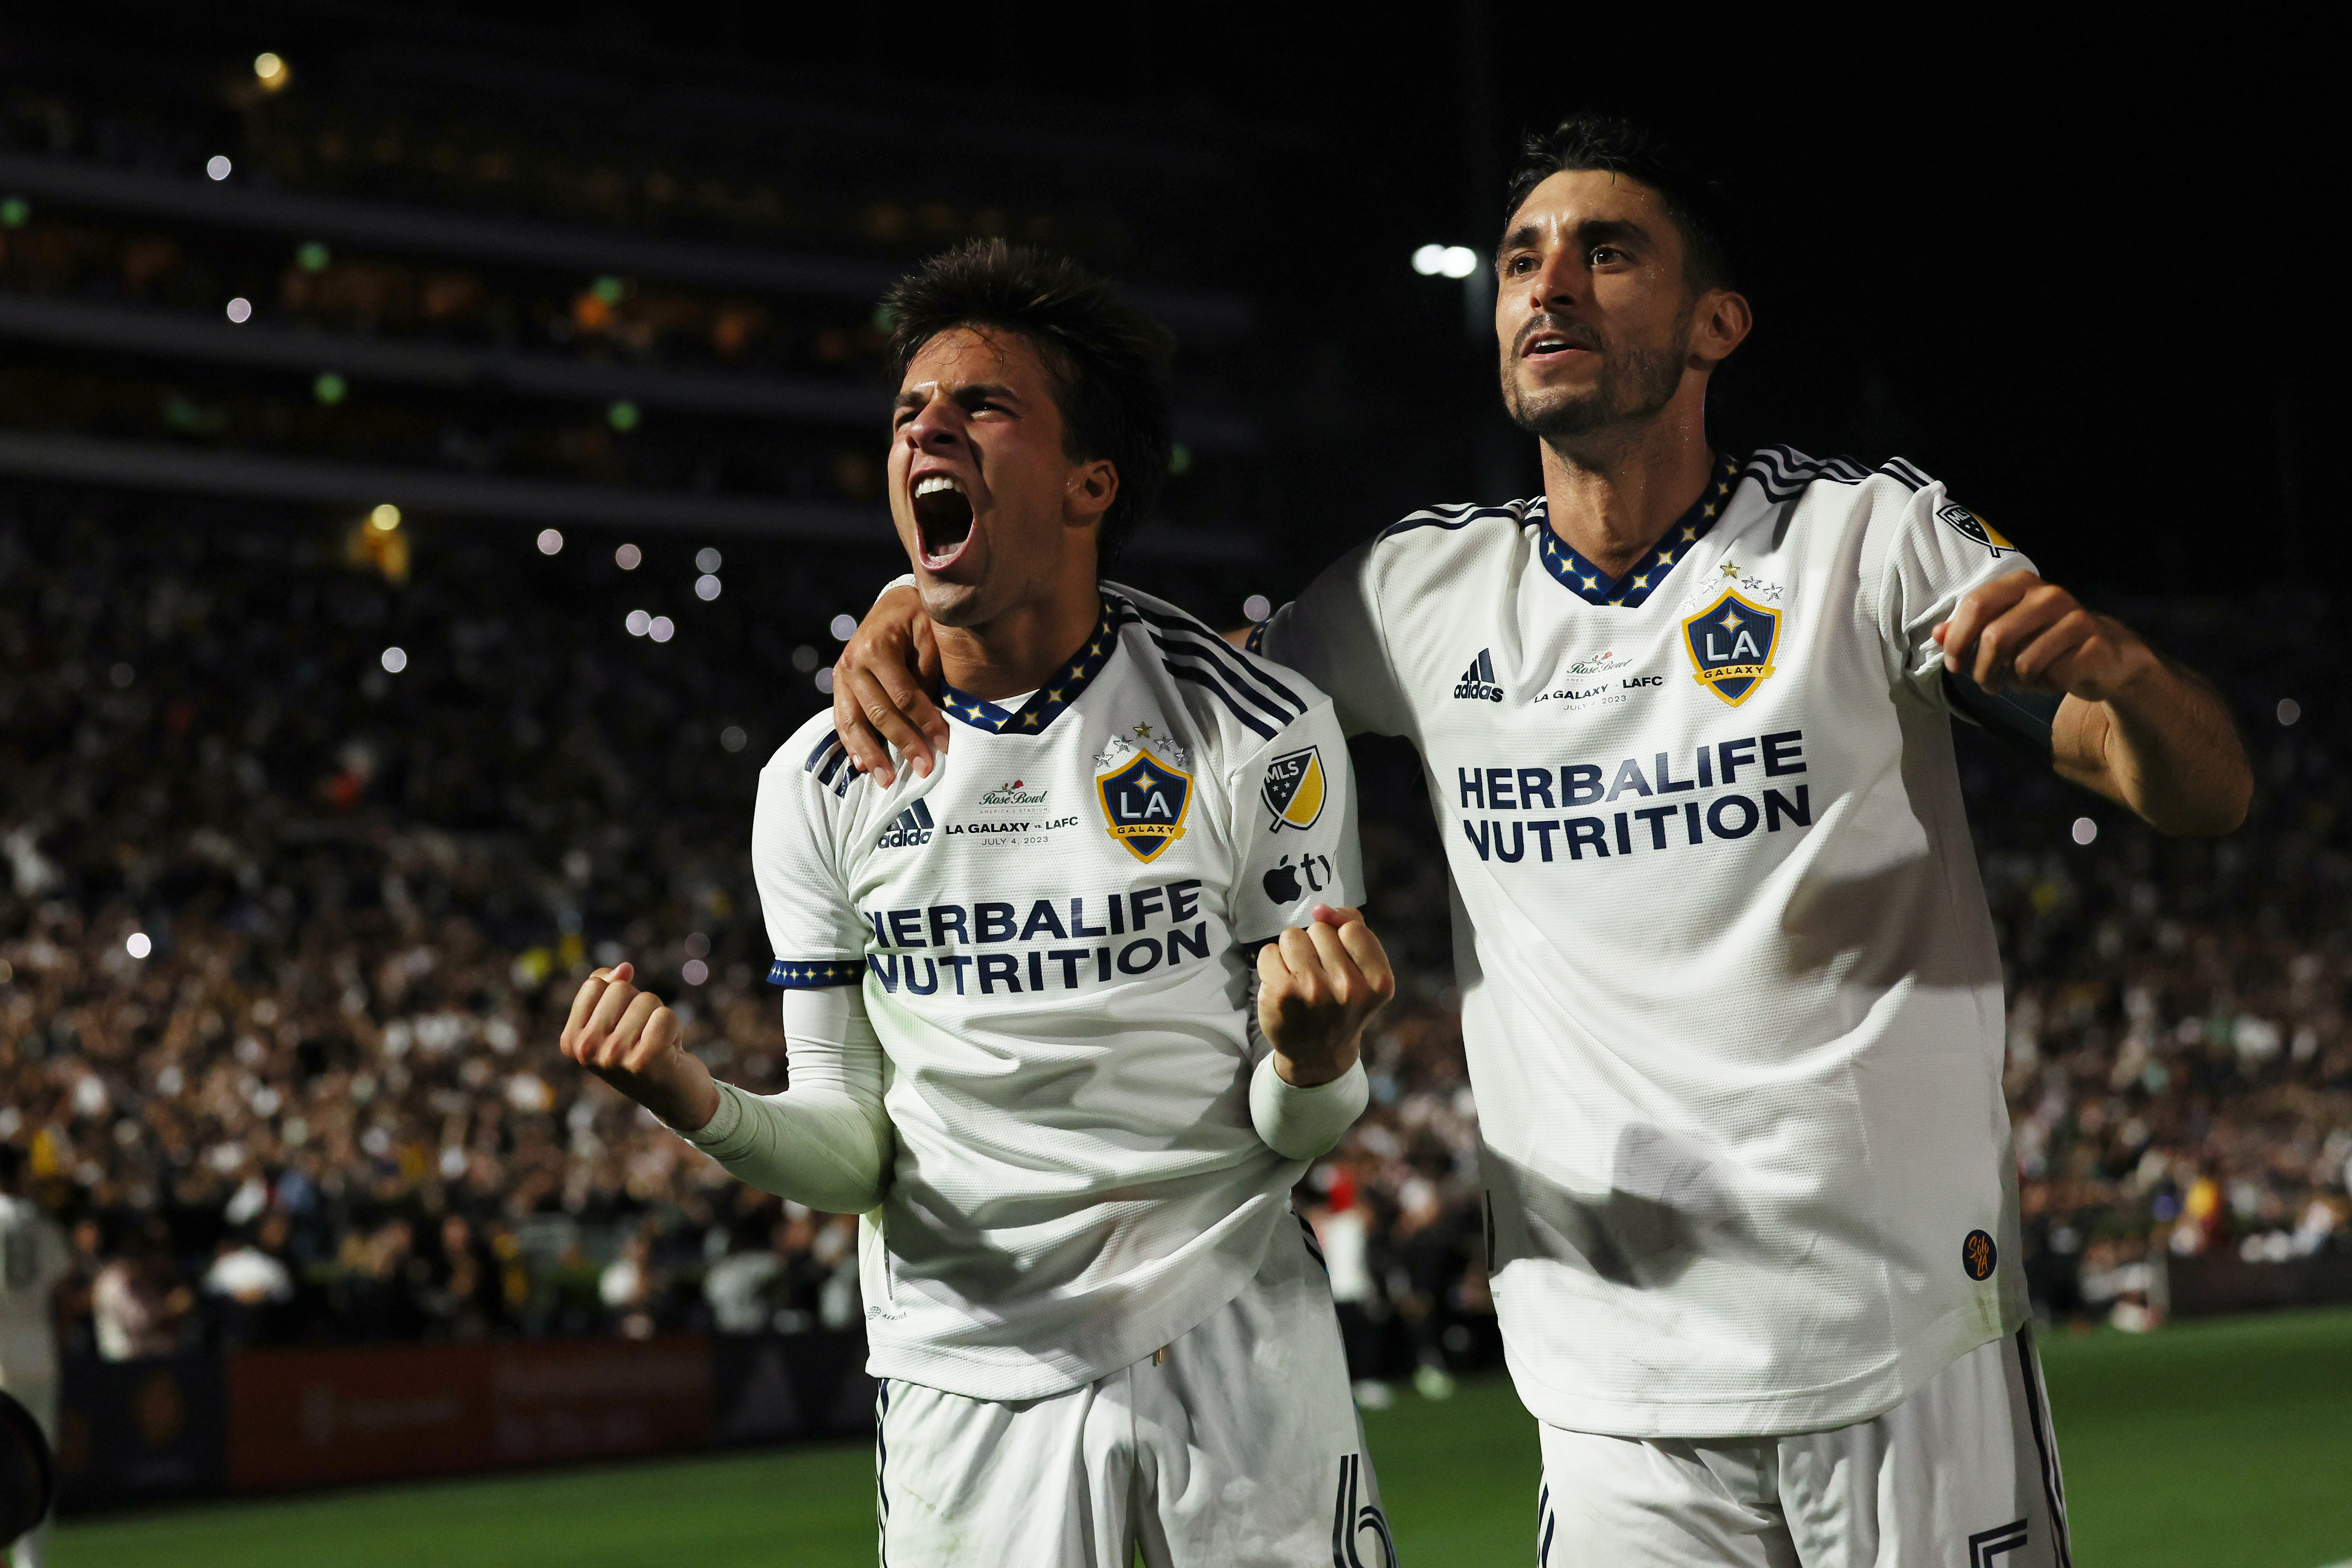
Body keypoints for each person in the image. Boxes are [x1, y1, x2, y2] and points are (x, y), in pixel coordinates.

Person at [829, 116, 2253, 1565]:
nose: (1549, 286)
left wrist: (2132, 679)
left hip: (1900, 1337)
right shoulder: (1414, 593)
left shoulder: (1862, 542)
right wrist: (929, 603)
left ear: (1718, 323)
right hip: (1605, 1380)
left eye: (1607, 252)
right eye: (1521, 259)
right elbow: (1154, 679)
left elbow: (2199, 792)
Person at [559, 240, 1401, 1566]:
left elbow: (1304, 1119)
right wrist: (700, 1107)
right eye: (908, 412)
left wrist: (1315, 1058)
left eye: (979, 406)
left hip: (1232, 1332)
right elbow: (853, 1150)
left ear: (1089, 483)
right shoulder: (815, 783)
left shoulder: (1253, 728)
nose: (925, 428)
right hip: (962, 1378)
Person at [0, 1147, 69, 1568]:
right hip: (39, 1351)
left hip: (1, 1351)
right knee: (37, 1467)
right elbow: (61, 1294)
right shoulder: (40, 1221)